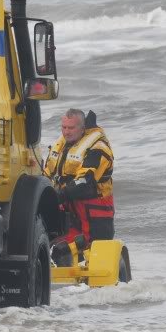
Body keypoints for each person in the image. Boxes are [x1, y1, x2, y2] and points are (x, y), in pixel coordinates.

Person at [44, 108, 115, 264]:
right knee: (59, 250)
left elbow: (85, 182)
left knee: (97, 257)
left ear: (82, 129)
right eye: (64, 127)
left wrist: (56, 196)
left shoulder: (98, 148)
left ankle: (104, 287)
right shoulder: (61, 145)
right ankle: (66, 286)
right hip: (70, 210)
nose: (66, 132)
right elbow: (47, 173)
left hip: (95, 211)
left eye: (71, 128)